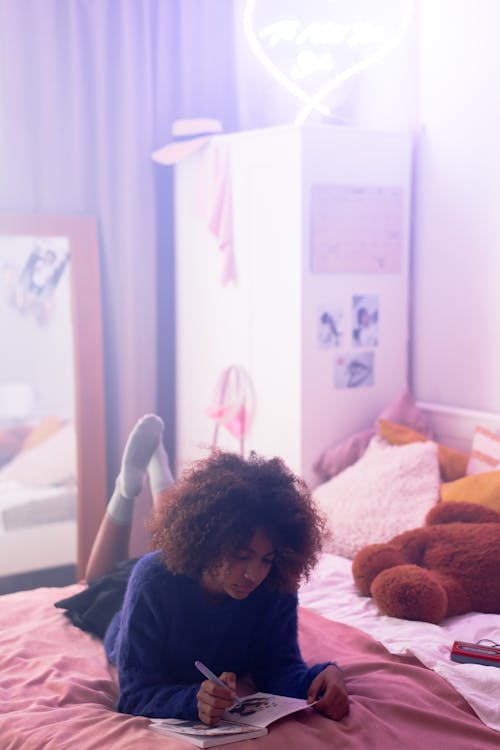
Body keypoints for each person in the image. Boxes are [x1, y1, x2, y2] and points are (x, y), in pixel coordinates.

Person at [58, 415, 349, 726]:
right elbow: (135, 694)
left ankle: (159, 470)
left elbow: (279, 667)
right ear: (210, 542)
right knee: (99, 581)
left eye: (266, 558)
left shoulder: (275, 580)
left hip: (184, 563)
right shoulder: (153, 582)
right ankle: (128, 487)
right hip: (128, 604)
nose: (254, 574)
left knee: (167, 536)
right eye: (241, 555)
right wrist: (190, 701)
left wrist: (319, 680)